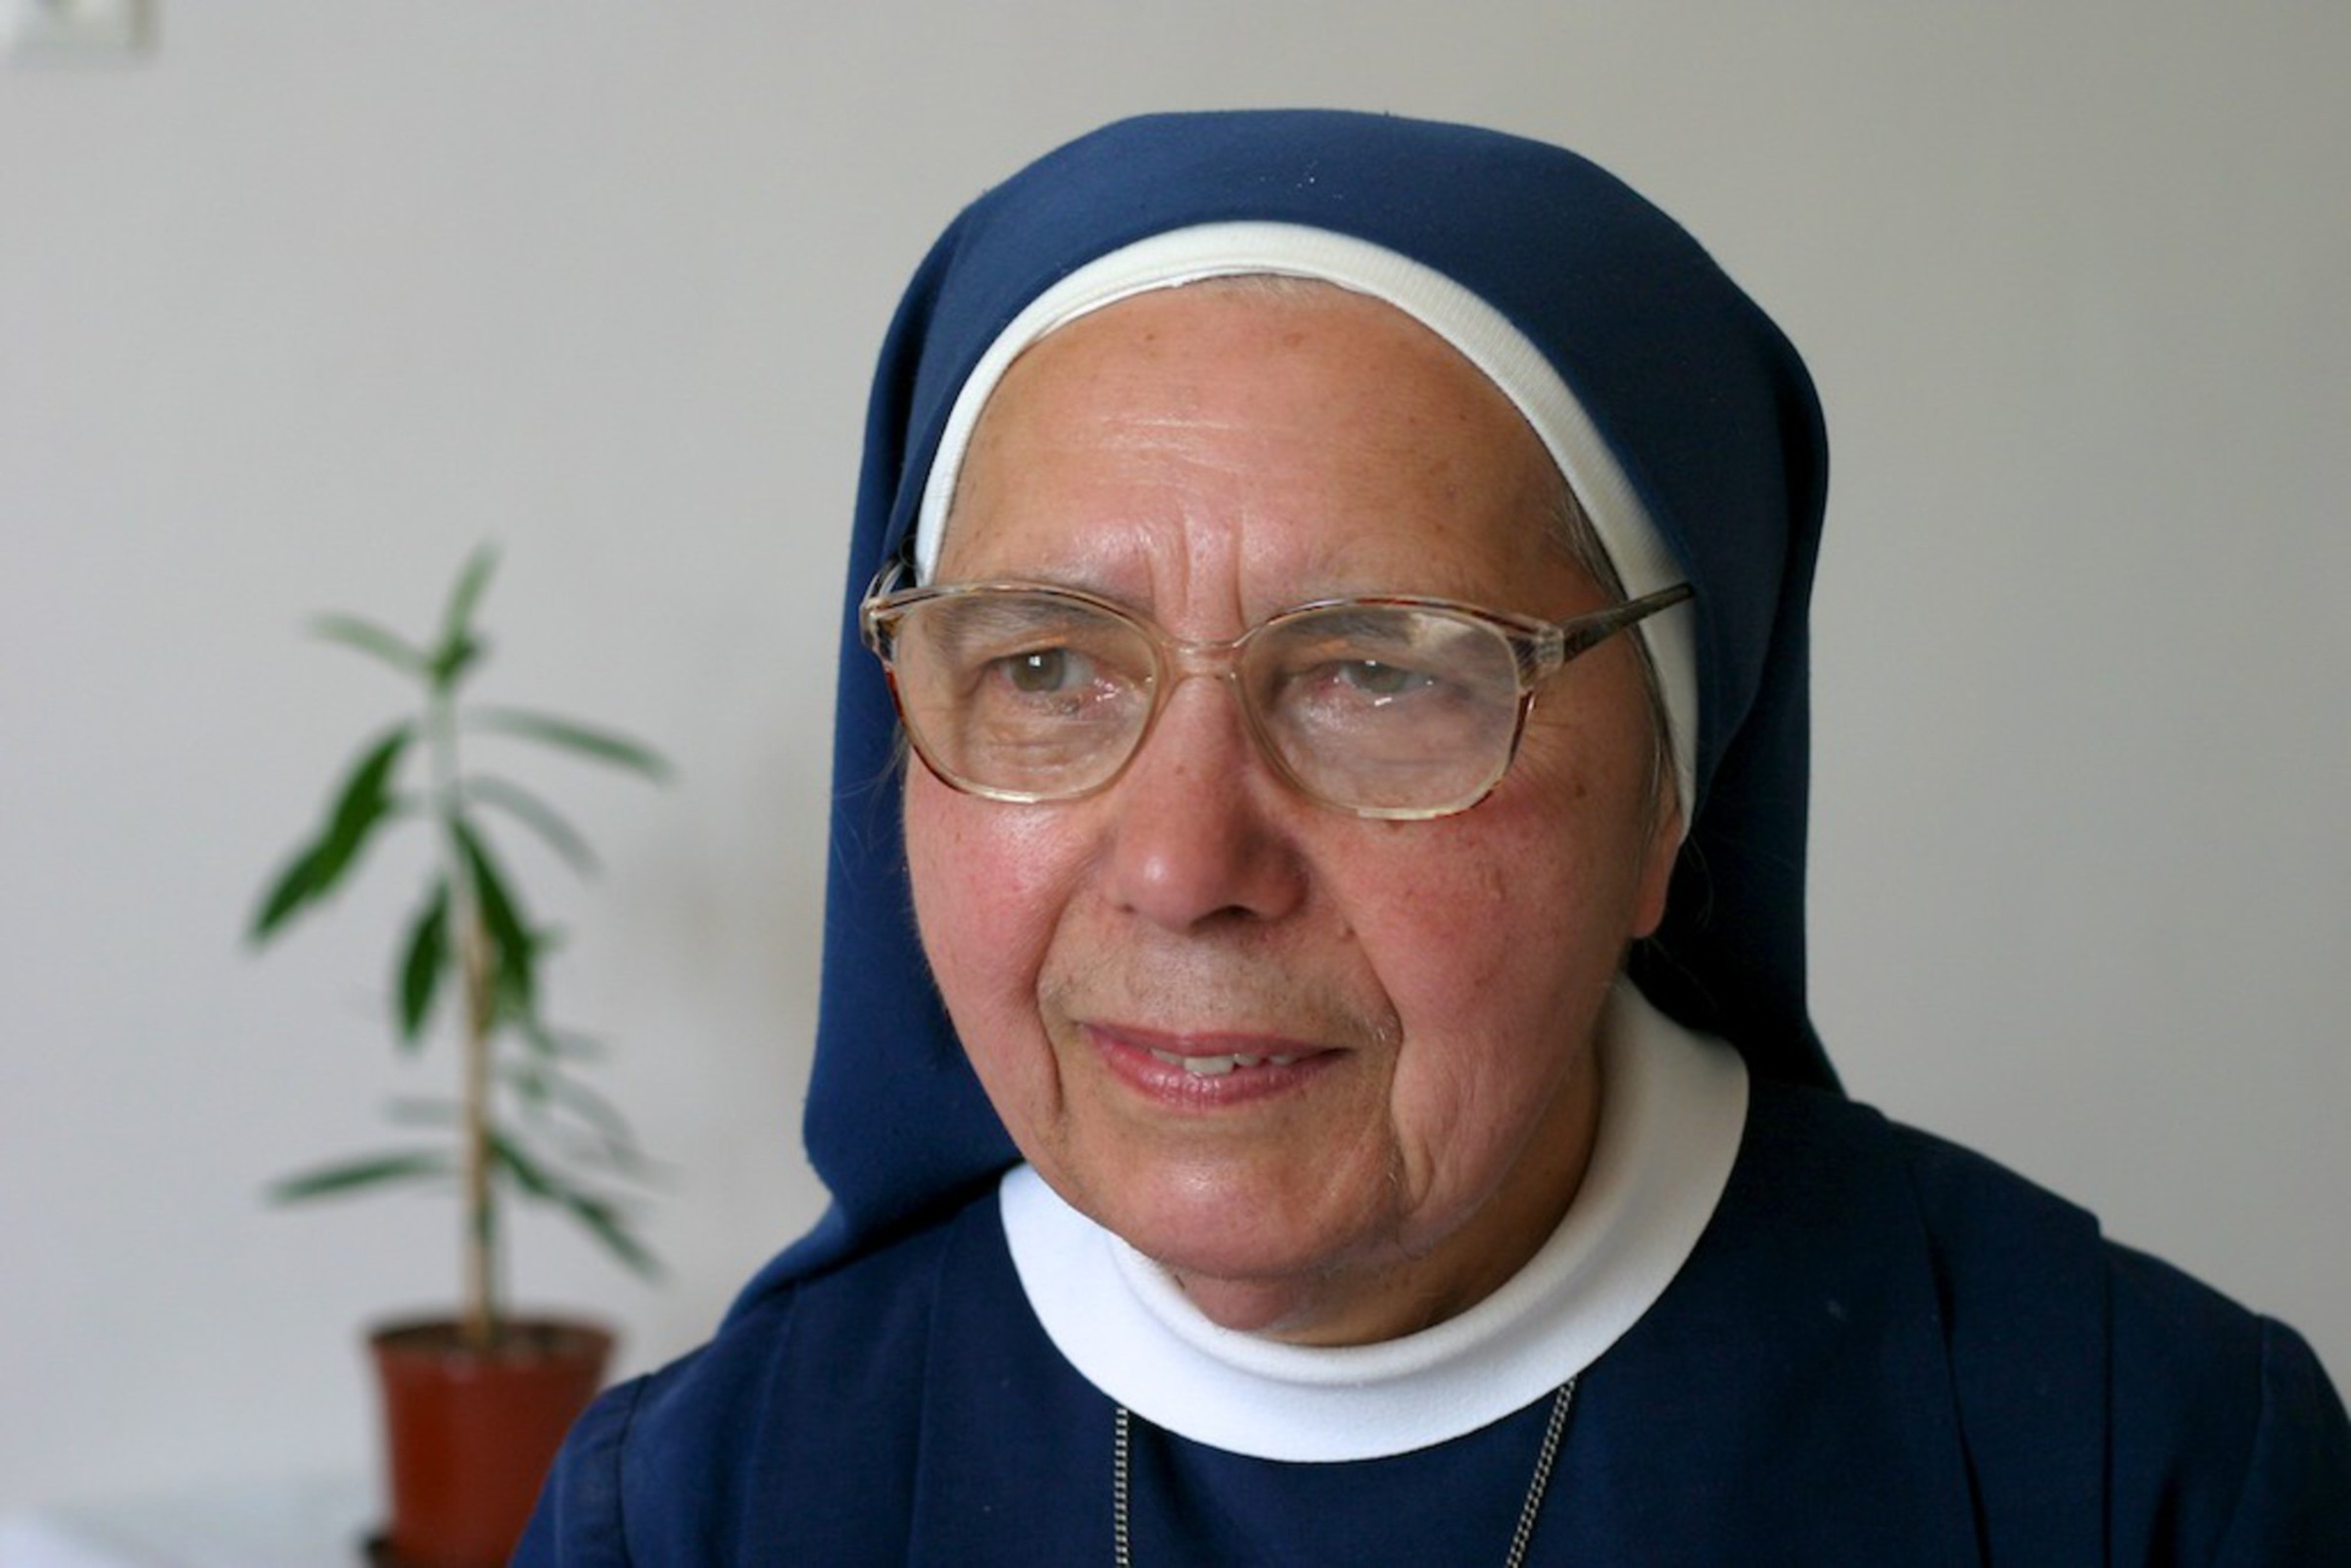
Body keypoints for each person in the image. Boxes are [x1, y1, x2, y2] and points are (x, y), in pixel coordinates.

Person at [518, 110, 2350, 1563]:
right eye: (1049, 664)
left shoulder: (2143, 1474)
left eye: (1379, 672)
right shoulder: (697, 1510)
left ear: (1671, 789)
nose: (1183, 866)